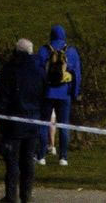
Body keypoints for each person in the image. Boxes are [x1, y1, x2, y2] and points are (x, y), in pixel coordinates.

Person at [0, 39, 46, 203]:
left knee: (12, 161)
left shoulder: (11, 69)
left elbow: (3, 95)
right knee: (28, 160)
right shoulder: (39, 70)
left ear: (16, 51)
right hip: (34, 121)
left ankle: (11, 196)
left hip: (14, 123)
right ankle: (26, 195)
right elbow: (44, 95)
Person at [36, 25, 82, 166]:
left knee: (43, 124)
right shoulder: (72, 52)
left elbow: (38, 73)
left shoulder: (44, 50)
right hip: (64, 94)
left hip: (47, 93)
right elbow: (77, 75)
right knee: (64, 125)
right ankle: (63, 157)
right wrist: (75, 93)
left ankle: (41, 156)